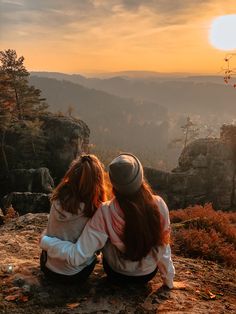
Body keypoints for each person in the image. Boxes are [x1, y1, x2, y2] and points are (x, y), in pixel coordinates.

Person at [40, 153, 175, 288]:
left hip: (116, 274)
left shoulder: (105, 211)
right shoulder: (159, 205)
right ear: (140, 177)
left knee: (103, 238)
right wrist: (168, 279)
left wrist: (45, 240)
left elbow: (78, 255)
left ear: (113, 184)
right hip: (146, 275)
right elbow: (163, 245)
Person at [40, 154, 106, 283]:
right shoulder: (94, 209)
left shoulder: (57, 199)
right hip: (75, 275)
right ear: (97, 181)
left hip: (47, 267)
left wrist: (45, 240)